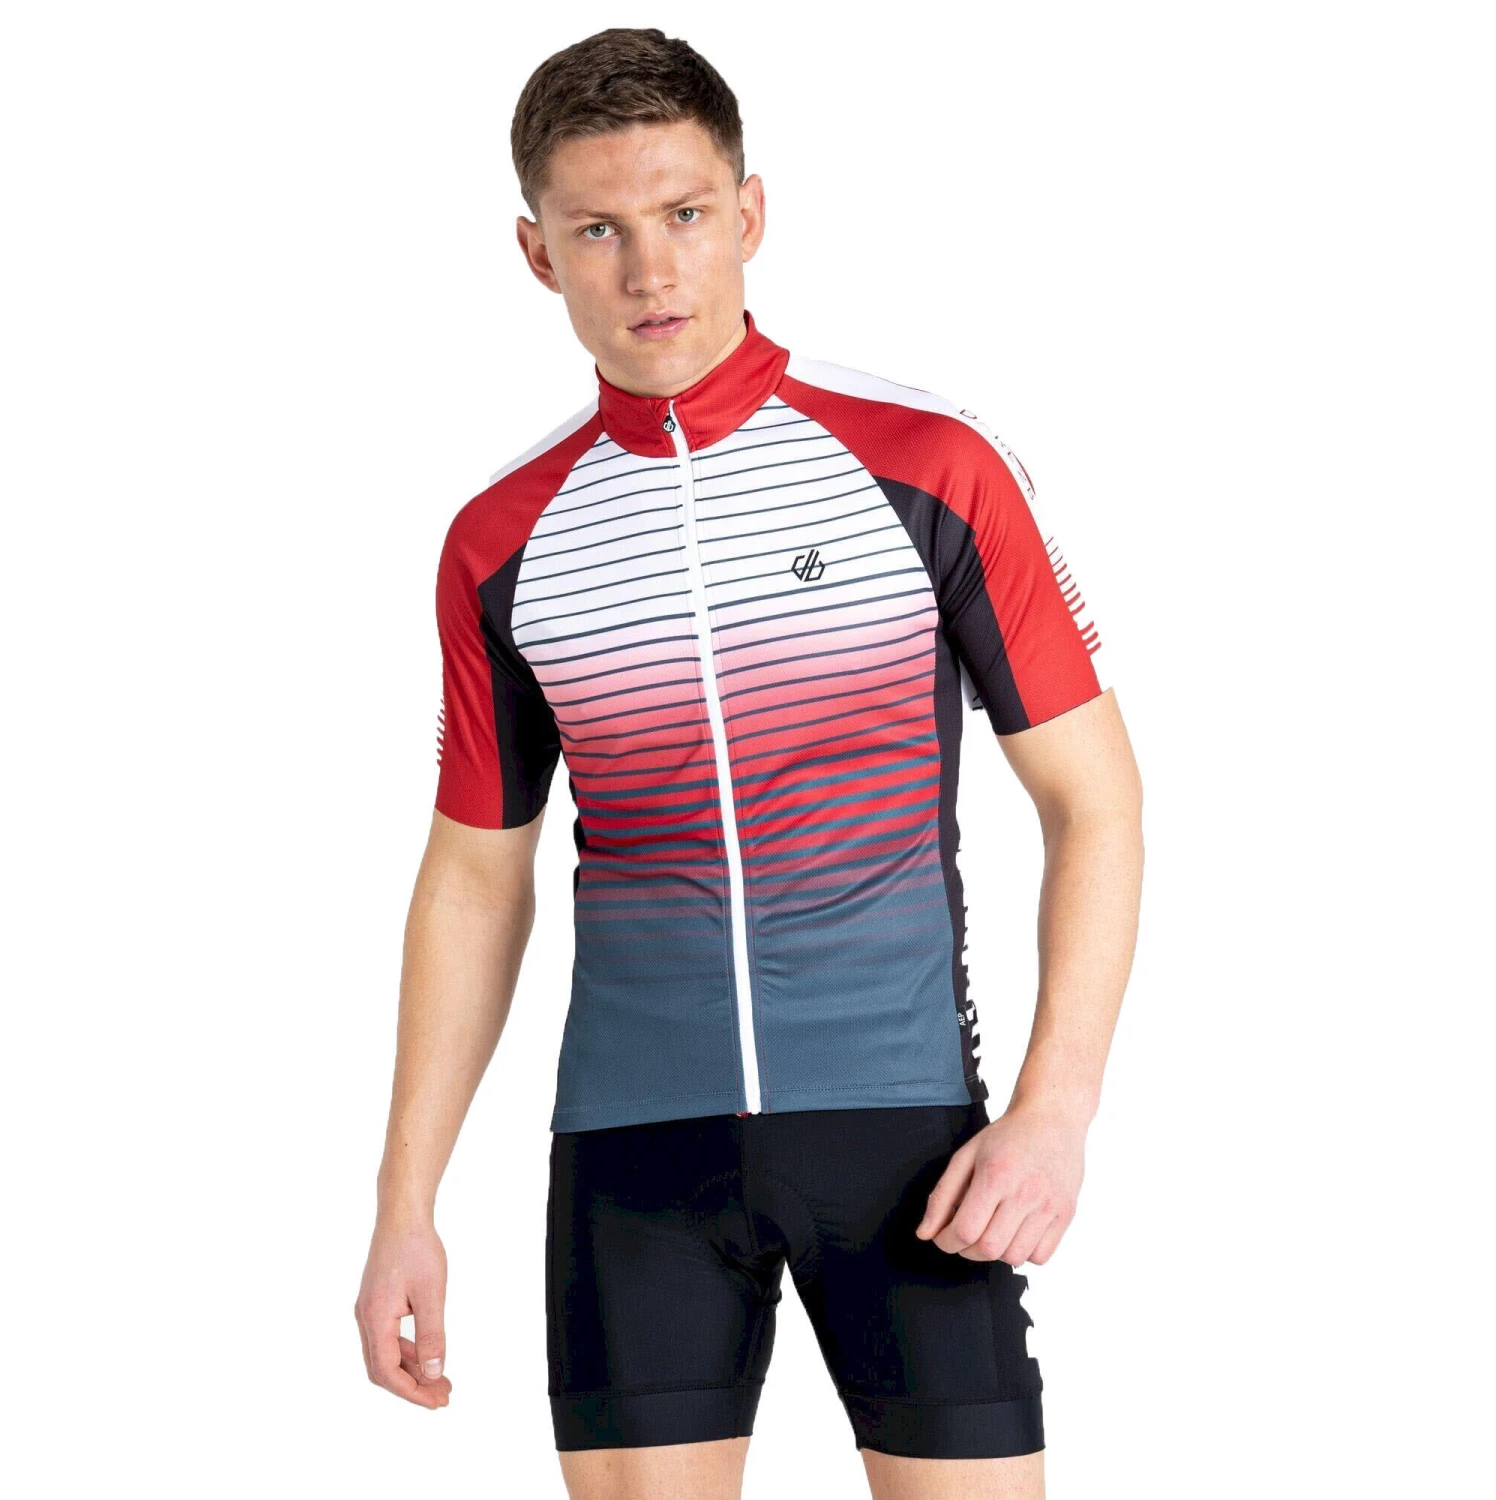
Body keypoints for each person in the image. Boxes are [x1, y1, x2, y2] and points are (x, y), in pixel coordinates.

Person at [355, 26, 1143, 1500]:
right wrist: (406, 1201)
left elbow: (1092, 800)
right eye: (599, 229)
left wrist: (1056, 1112)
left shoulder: (929, 465)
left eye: (685, 214)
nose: (651, 270)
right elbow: (472, 878)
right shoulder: (501, 540)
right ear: (537, 253)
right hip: (634, 1156)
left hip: (908, 1140)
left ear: (751, 213)